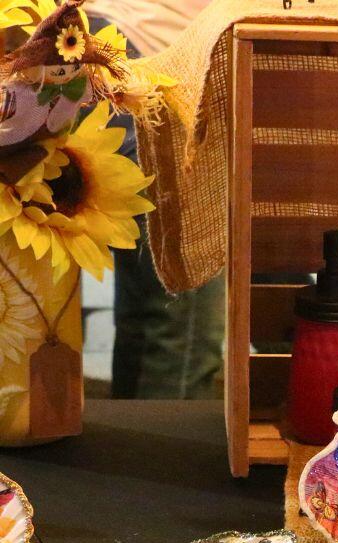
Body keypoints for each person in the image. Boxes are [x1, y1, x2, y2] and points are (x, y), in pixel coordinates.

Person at [88, 0, 223, 398]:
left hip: (111, 44)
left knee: (151, 311)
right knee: (181, 313)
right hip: (157, 55)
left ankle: (133, 452)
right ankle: (166, 454)